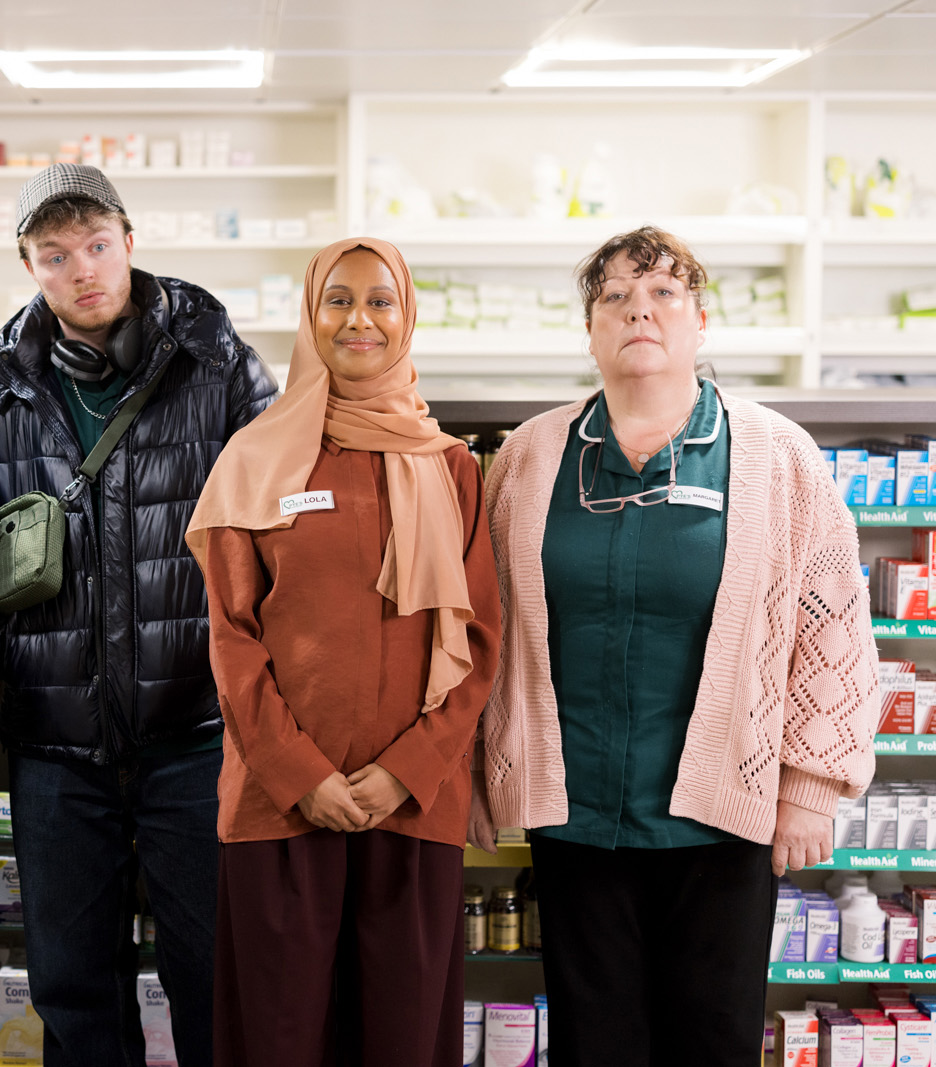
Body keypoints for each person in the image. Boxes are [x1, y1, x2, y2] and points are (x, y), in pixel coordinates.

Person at [471, 225, 879, 1066]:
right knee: (596, 1041)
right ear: (590, 331)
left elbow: (833, 620)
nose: (638, 312)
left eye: (661, 293)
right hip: (575, 814)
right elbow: (487, 629)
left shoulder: (775, 456)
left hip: (723, 820)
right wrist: (483, 768)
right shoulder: (528, 457)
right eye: (614, 297)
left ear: (700, 320)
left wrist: (807, 788)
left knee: (712, 1040)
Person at [0, 163, 277, 1066]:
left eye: (97, 246)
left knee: (215, 974)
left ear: (129, 243)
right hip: (56, 743)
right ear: (28, 264)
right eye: (55, 255)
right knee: (71, 986)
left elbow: (278, 521)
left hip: (198, 732)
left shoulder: (220, 363)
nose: (82, 269)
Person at [186, 237, 501, 1067]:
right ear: (309, 313)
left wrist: (408, 769)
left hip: (413, 805)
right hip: (278, 805)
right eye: (338, 299)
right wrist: (301, 775)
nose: (359, 318)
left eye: (380, 300)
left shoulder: (453, 467)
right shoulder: (254, 459)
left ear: (407, 317)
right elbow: (231, 640)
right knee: (278, 1036)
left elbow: (480, 642)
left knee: (400, 1036)